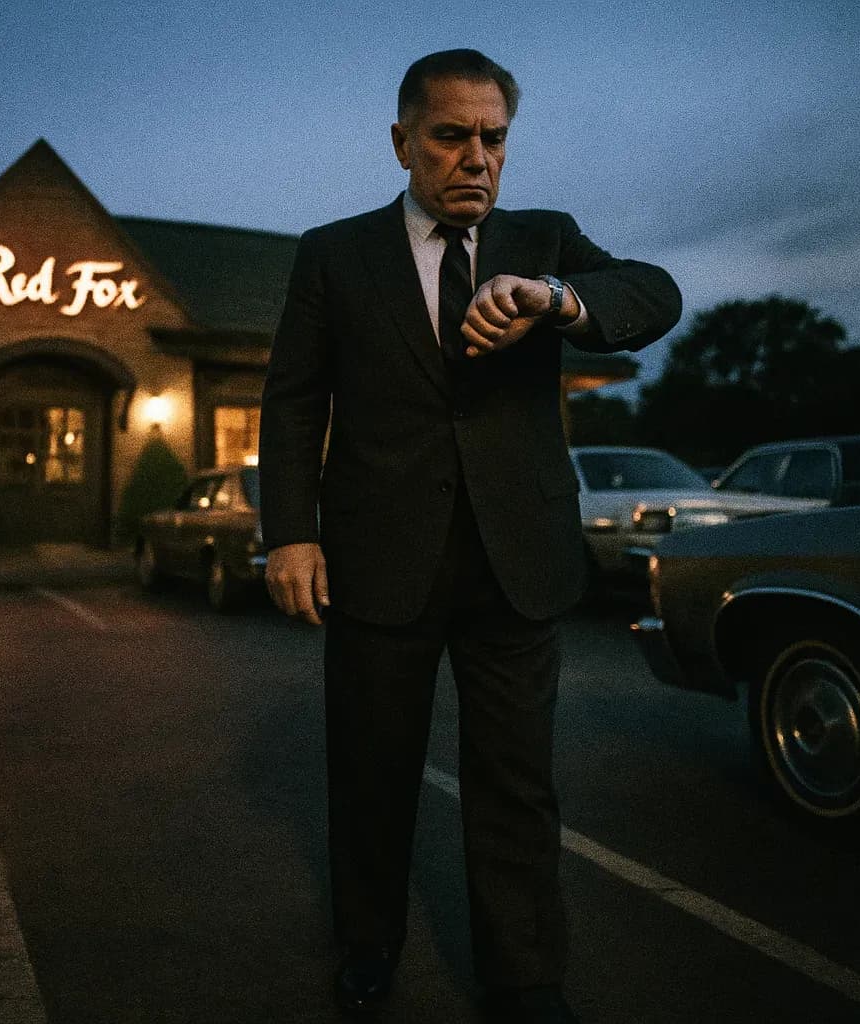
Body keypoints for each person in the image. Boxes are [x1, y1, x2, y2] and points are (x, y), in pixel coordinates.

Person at [259, 49, 681, 1022]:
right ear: (403, 141)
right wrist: (291, 534)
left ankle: (526, 976)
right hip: (379, 561)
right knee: (372, 771)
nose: (476, 157)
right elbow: (292, 402)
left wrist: (559, 301)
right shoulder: (334, 253)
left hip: (516, 560)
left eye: (493, 138)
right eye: (452, 135)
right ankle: (368, 944)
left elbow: (653, 294)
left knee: (516, 781)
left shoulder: (545, 239)